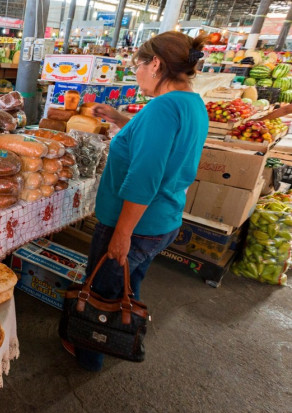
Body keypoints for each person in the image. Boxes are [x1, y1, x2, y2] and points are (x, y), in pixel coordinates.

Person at [61, 31, 209, 372]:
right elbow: (154, 140)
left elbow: (145, 178)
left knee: (100, 291)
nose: (135, 72)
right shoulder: (190, 102)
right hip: (164, 220)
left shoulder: (163, 108)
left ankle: (91, 351)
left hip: (136, 225)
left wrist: (122, 233)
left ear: (155, 64)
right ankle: (121, 334)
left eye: (137, 65)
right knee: (128, 283)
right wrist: (117, 117)